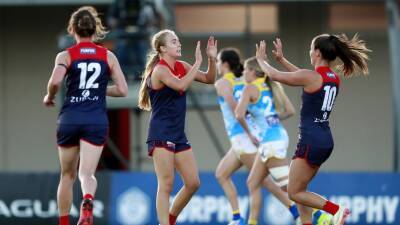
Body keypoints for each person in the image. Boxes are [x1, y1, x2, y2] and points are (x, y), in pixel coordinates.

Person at [255, 34, 370, 225]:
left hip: (310, 140)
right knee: (301, 192)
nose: (309, 52)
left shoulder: (311, 77)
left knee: (294, 192)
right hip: (324, 140)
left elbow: (276, 76)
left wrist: (260, 61)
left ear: (317, 52)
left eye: (310, 48)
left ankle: (336, 210)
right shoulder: (332, 78)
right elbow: (301, 77)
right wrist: (282, 60)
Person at [43, 6, 128, 225]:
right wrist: (98, 90)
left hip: (70, 118)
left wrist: (49, 96)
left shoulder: (66, 55)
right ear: (95, 29)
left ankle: (64, 222)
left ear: (72, 29)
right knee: (87, 174)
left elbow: (54, 82)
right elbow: (122, 90)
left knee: (67, 176)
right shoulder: (107, 56)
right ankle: (87, 200)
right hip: (95, 120)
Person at [137, 29, 217, 225]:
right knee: (166, 184)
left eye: (178, 41)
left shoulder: (181, 66)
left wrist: (212, 59)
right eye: (174, 42)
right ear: (162, 48)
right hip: (161, 133)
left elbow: (209, 79)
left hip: (178, 134)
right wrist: (197, 63)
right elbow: (180, 86)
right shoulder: (160, 70)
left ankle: (170, 219)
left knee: (193, 183)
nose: (179, 44)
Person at [214, 48, 302, 225]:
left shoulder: (223, 83)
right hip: (250, 137)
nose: (216, 64)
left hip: (244, 137)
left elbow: (237, 111)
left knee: (267, 183)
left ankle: (299, 213)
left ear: (224, 64)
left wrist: (251, 131)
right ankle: (237, 218)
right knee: (223, 174)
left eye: (217, 61)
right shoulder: (245, 80)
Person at [234, 56, 297, 225]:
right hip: (277, 136)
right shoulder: (271, 84)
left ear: (253, 72)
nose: (244, 73)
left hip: (270, 142)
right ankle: (252, 222)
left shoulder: (250, 88)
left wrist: (250, 134)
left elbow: (239, 114)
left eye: (246, 70)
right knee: (253, 182)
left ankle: (321, 215)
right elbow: (290, 111)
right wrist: (271, 121)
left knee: (290, 189)